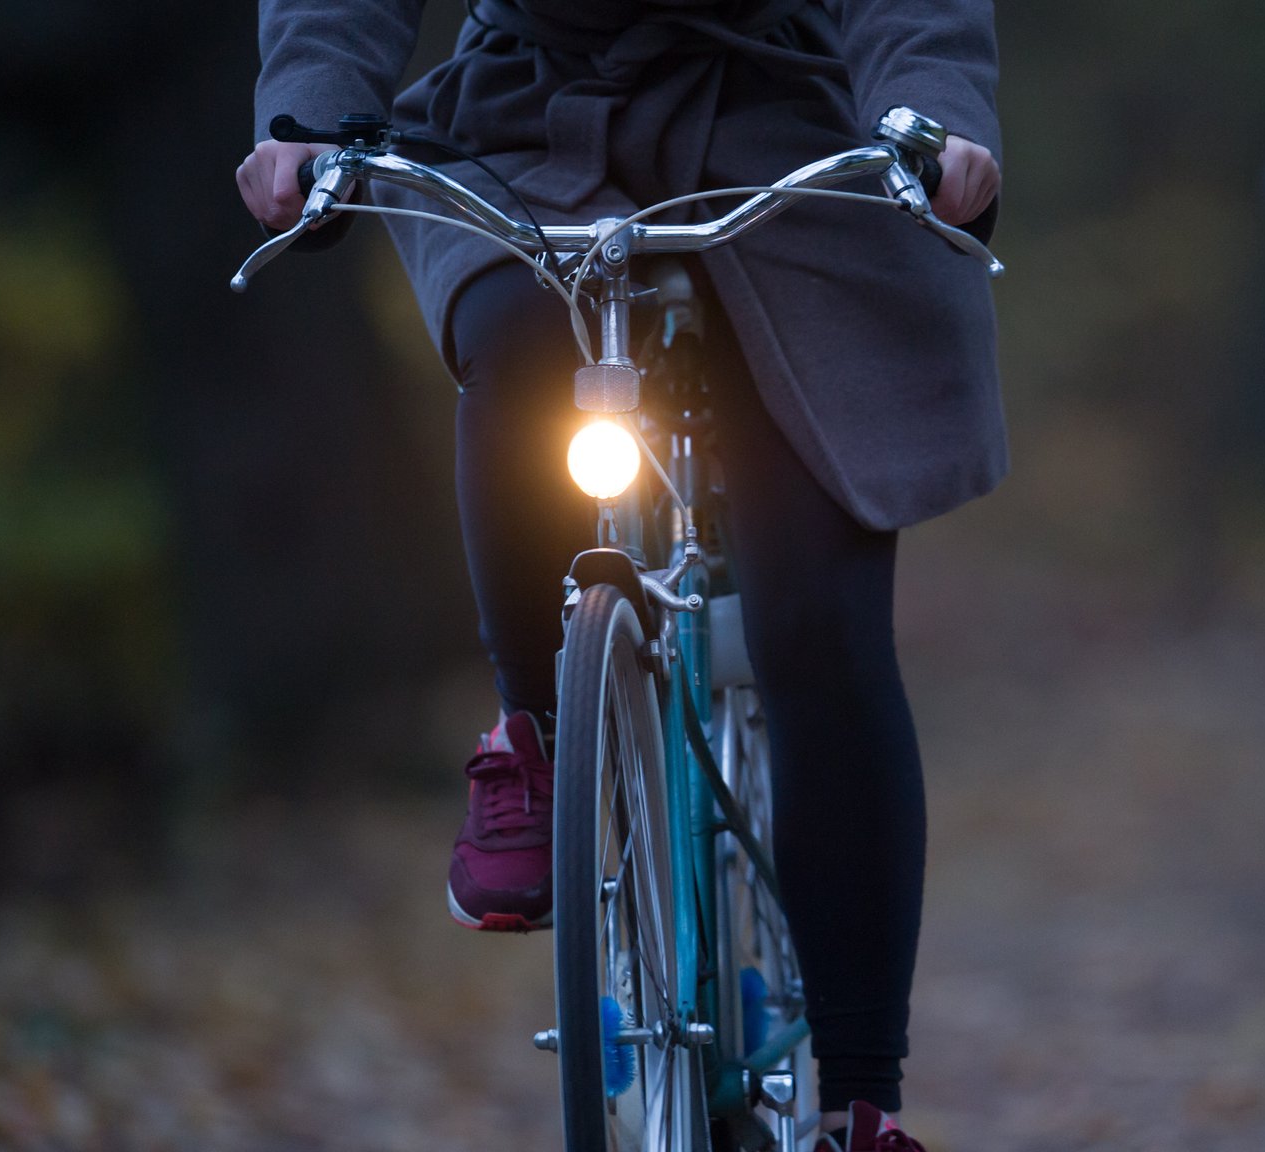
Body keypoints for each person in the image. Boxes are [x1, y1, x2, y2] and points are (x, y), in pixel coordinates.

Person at [234, 0, 1004, 1143]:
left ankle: (857, 1102)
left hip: (783, 137)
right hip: (528, 130)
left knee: (817, 626)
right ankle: (534, 739)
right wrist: (306, 111)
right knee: (516, 335)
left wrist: (932, 116)